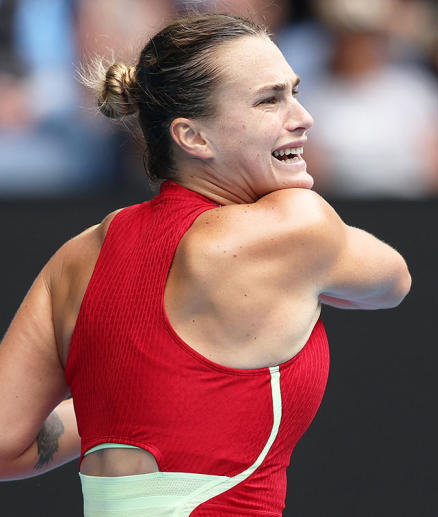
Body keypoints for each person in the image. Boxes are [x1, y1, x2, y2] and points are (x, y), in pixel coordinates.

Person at [0, 13, 410, 515]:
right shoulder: (296, 225)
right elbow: (392, 282)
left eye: (294, 92)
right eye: (269, 100)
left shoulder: (76, 257)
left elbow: (6, 445)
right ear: (193, 138)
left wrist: (138, 402)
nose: (303, 117)